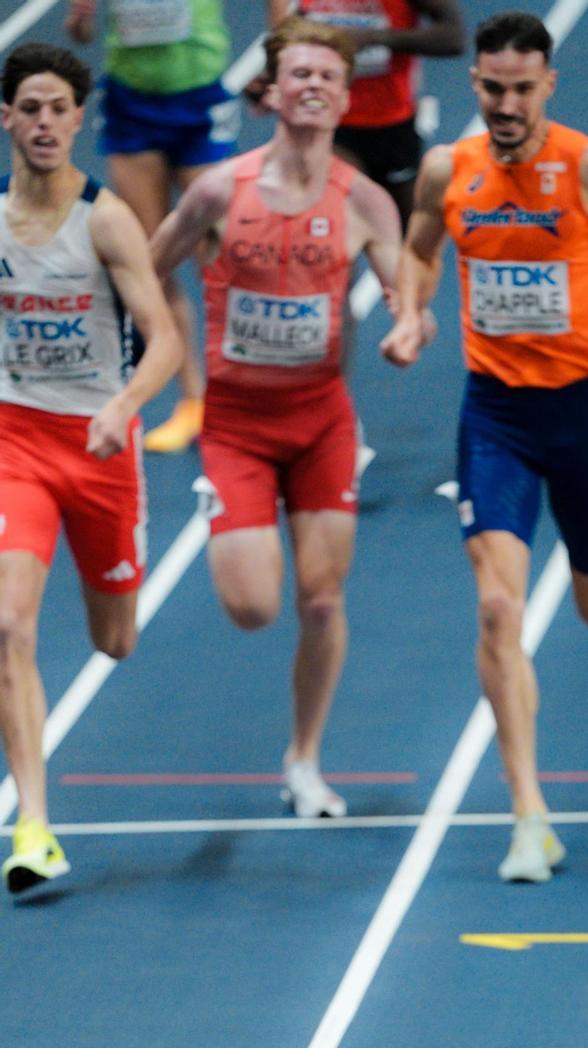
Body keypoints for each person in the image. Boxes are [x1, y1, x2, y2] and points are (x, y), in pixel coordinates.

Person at [389, 9, 588, 883]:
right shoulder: (449, 170)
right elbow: (417, 251)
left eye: (523, 89)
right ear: (474, 85)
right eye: (492, 88)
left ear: (548, 87)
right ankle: (529, 815)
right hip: (497, 421)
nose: (507, 103)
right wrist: (411, 314)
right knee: (496, 610)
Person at [150, 16, 410, 818]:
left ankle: (304, 758)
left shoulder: (364, 200)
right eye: (298, 74)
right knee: (254, 606)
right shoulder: (216, 191)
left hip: (323, 421)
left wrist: (408, 327)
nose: (313, 87)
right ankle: (227, 503)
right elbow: (144, 269)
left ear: (343, 97)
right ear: (269, 92)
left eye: (326, 77)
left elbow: (406, 298)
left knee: (323, 600)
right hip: (235, 424)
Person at [0, 42, 180, 893]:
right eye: (27, 108)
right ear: (7, 117)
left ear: (78, 120)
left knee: (116, 639)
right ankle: (32, 823)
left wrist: (121, 406)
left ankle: (94, 590)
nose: (42, 123)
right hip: (16, 444)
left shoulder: (105, 220)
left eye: (56, 110)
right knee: (7, 626)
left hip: (100, 447)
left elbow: (168, 340)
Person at [262, 0, 465, 479]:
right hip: (334, 134)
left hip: (392, 129)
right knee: (332, 270)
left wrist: (378, 40)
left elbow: (453, 37)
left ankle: (409, 318)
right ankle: (333, 414)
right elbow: (282, 41)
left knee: (411, 250)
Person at [64, 0, 239, 454]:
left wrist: (279, 54)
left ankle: (236, 391)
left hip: (198, 98)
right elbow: (81, 32)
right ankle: (194, 398)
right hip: (132, 104)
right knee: (151, 257)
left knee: (219, 254)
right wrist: (81, 19)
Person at [267, 0, 465, 229]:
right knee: (332, 223)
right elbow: (284, 31)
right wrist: (272, 74)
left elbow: (454, 37)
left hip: (392, 122)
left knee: (406, 231)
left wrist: (375, 37)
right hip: (330, 124)